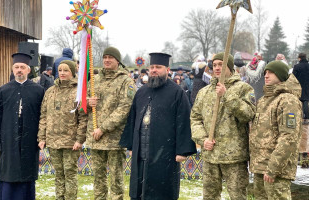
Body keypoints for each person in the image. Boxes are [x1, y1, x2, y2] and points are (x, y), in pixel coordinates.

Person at [120, 52, 197, 200]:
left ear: (167, 70)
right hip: (141, 151)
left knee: (161, 192)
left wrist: (182, 150)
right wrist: (131, 146)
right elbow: (133, 119)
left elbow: (184, 122)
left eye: (159, 67)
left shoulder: (177, 93)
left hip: (165, 154)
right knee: (139, 192)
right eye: (152, 67)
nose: (154, 70)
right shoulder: (141, 92)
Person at [190, 52, 255, 200]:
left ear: (230, 67)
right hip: (210, 155)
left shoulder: (244, 89)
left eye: (221, 64)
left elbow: (248, 114)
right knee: (210, 196)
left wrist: (227, 96)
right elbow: (195, 118)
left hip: (234, 156)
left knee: (237, 196)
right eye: (215, 65)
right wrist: (202, 139)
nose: (217, 68)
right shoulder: (204, 92)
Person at [0, 53, 44, 200]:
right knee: (8, 171)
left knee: (26, 173)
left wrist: (41, 137)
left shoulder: (38, 90)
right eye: (16, 67)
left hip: (30, 139)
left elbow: (43, 116)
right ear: (13, 69)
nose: (19, 70)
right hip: (8, 139)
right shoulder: (4, 90)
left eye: (22, 67)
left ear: (28, 70)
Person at [86, 47, 136, 200]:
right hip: (95, 138)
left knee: (116, 179)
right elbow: (82, 106)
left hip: (114, 139)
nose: (107, 60)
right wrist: (88, 103)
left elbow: (125, 108)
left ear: (117, 61)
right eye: (105, 57)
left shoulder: (126, 81)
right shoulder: (94, 80)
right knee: (98, 179)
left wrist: (103, 128)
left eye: (111, 58)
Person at [249, 61, 302, 199]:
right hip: (260, 167)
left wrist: (273, 168)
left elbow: (289, 136)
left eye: (271, 72)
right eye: (265, 72)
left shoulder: (288, 101)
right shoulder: (263, 100)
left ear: (281, 75)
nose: (266, 76)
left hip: (276, 170)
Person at [38, 60, 87, 200]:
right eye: (60, 70)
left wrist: (79, 139)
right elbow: (43, 116)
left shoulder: (78, 92)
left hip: (70, 142)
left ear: (72, 72)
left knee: (70, 174)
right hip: (53, 140)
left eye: (66, 70)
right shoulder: (50, 91)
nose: (62, 73)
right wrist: (42, 137)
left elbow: (83, 118)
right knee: (59, 174)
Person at [293, 52, 309, 167]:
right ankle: (307, 117)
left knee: (300, 101)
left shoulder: (297, 66)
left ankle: (300, 115)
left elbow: (293, 77)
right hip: (308, 85)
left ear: (299, 58)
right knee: (306, 102)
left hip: (299, 86)